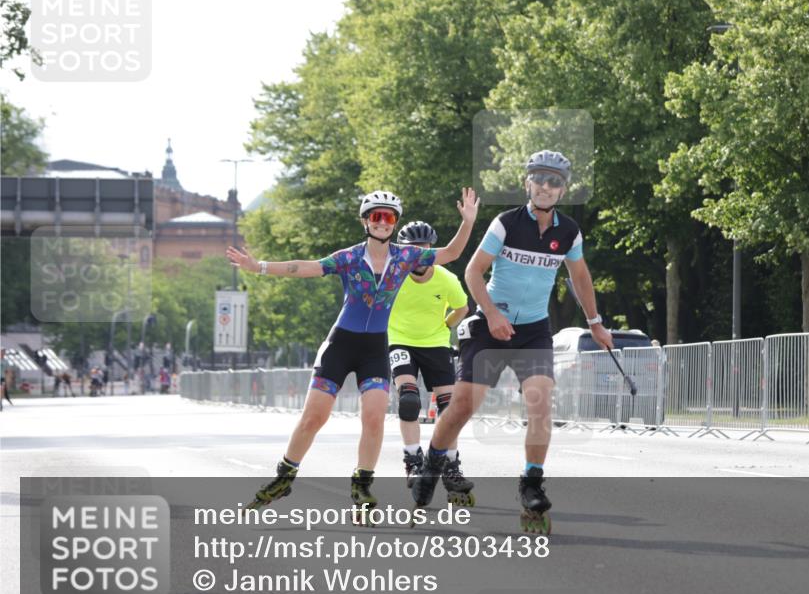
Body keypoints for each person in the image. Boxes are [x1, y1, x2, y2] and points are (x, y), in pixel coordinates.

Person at [227, 188, 479, 520]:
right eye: (376, 216)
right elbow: (303, 268)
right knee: (313, 418)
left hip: (374, 348)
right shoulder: (349, 257)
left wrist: (468, 222)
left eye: (389, 217)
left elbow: (451, 253)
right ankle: (285, 475)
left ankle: (362, 485)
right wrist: (257, 266)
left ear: (395, 222)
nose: (383, 222)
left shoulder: (406, 257)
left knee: (373, 418)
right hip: (340, 345)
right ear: (365, 221)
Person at [411, 150, 613, 535]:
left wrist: (596, 322)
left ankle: (532, 483)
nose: (546, 186)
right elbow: (472, 271)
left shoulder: (568, 231)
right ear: (528, 183)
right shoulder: (506, 223)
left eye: (554, 181)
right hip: (490, 325)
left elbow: (581, 276)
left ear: (563, 188)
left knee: (541, 402)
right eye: (539, 178)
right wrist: (491, 313)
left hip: (534, 330)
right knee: (463, 407)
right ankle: (432, 464)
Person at [387, 221, 473, 505]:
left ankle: (451, 464)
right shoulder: (393, 276)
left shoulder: (446, 278)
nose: (419, 253)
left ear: (432, 249)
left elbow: (462, 307)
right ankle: (413, 458)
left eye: (424, 248)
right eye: (413, 248)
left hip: (436, 344)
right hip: (400, 341)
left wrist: (444, 326)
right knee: (409, 401)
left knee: (450, 408)